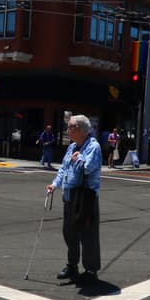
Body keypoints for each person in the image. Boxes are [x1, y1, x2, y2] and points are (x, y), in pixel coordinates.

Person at [46, 114, 102, 285]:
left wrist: (79, 158)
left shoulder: (93, 146)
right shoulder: (71, 147)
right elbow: (63, 169)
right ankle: (72, 265)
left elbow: (88, 168)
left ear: (78, 129)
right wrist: (55, 184)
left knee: (88, 235)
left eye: (69, 127)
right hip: (69, 197)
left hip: (85, 198)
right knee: (69, 233)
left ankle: (91, 270)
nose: (67, 130)